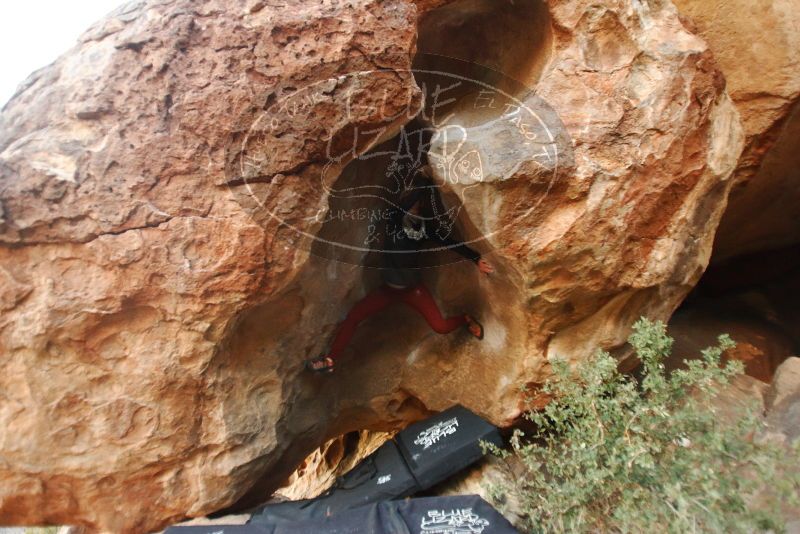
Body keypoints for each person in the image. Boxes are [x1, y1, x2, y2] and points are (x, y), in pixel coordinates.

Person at [305, 165, 493, 373]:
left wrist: (476, 258)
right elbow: (402, 206)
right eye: (409, 199)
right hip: (387, 290)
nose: (412, 204)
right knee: (353, 317)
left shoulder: (424, 228)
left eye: (416, 201)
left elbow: (451, 242)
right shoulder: (393, 220)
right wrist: (424, 183)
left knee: (440, 327)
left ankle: (465, 318)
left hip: (413, 290)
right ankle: (330, 360)